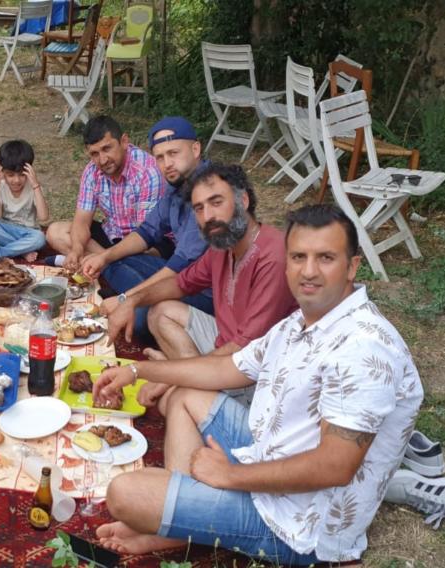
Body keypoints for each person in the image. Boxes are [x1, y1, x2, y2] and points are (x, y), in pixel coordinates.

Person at [91, 204, 424, 565]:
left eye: (325, 257)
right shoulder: (303, 320)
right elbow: (225, 370)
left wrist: (231, 476)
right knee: (186, 395)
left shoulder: (363, 347)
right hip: (273, 457)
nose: (309, 271)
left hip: (302, 523)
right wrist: (141, 372)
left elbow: (335, 466)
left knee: (125, 494)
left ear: (352, 266)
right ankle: (183, 520)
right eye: (299, 256)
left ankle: (180, 521)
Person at [106, 163, 297, 408]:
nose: (208, 216)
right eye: (199, 208)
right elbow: (179, 283)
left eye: (216, 202)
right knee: (162, 311)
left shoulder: (274, 256)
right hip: (226, 344)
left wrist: (165, 376)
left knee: (171, 403)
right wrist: (130, 301)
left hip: (256, 371)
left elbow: (244, 349)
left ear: (244, 200)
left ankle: (198, 386)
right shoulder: (222, 245)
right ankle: (193, 377)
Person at [80, 116, 212, 339]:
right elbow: (147, 232)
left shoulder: (210, 192)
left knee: (139, 321)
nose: (167, 164)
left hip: (207, 294)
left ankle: (127, 294)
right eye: (160, 157)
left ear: (196, 148)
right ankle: (131, 291)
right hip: (181, 277)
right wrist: (105, 258)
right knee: (114, 258)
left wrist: (126, 299)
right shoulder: (178, 184)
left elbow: (180, 265)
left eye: (174, 153)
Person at [44, 115, 163, 273]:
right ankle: (115, 268)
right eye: (94, 154)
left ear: (124, 141)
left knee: (149, 256)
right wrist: (77, 249)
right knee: (55, 232)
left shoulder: (148, 172)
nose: (102, 160)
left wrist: (104, 257)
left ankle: (105, 265)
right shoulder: (92, 171)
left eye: (107, 148)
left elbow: (145, 235)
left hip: (144, 242)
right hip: (112, 235)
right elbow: (81, 221)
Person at [0, 139, 48, 261]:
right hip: (4, 229)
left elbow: (44, 217)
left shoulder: (34, 187)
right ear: (2, 171)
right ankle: (22, 251)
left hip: (27, 232)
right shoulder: (1, 186)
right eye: (10, 175)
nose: (16, 180)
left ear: (29, 170)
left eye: (22, 174)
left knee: (40, 238)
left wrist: (36, 185)